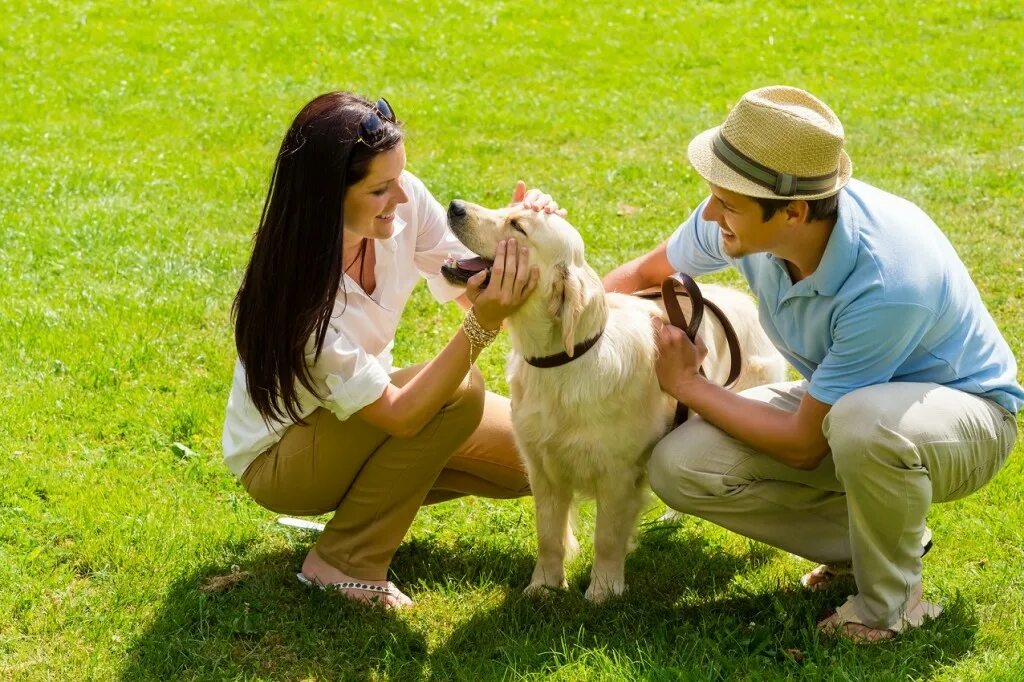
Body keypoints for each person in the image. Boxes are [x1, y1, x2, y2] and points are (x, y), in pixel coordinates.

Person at [603, 86, 1022, 641]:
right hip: (846, 402)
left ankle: (889, 605)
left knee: (861, 423)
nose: (710, 214)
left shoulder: (889, 279)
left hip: (966, 422)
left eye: (727, 204)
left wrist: (688, 385)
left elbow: (803, 445)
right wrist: (575, 342)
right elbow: (640, 275)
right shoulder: (747, 212)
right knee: (678, 465)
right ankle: (877, 544)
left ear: (794, 213)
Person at [223, 91, 558, 608]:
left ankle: (370, 508)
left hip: (359, 419)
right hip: (282, 458)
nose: (401, 198)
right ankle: (343, 559)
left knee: (536, 457)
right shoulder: (298, 298)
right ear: (327, 196)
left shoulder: (398, 205)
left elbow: (468, 282)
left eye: (399, 178)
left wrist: (523, 233)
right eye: (380, 189)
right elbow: (402, 416)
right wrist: (481, 328)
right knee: (457, 392)